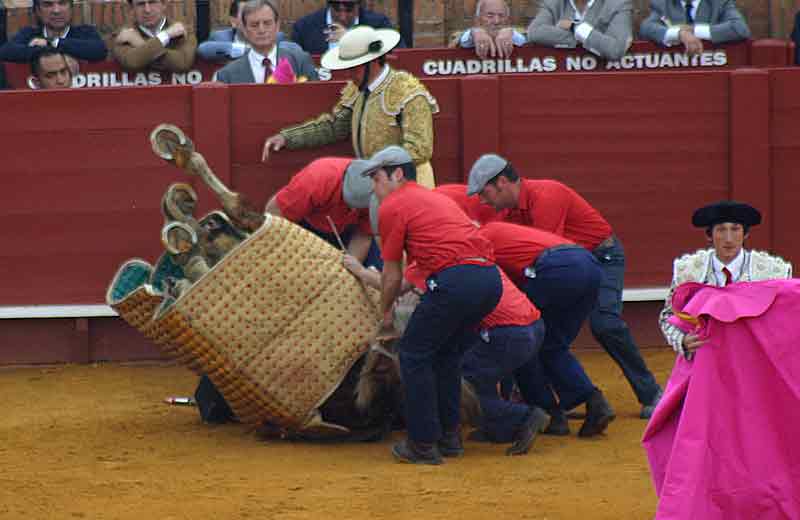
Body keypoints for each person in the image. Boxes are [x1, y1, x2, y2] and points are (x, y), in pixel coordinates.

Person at [467, 154, 663, 419]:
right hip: (571, 267)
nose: (482, 201)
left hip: (601, 257)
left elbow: (551, 251)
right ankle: (549, 398)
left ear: (502, 182)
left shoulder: (547, 195)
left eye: (484, 192)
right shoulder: (509, 213)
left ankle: (651, 394)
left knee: (605, 324)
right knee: (540, 331)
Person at [360, 145, 503, 464]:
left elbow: (393, 274)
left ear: (397, 173)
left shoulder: (394, 205)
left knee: (412, 353)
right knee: (446, 356)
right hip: (489, 282)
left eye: (376, 177)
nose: (374, 187)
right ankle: (450, 437)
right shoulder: (436, 199)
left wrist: (385, 314)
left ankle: (423, 443)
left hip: (457, 281)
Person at [478, 220, 615, 437]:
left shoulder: (480, 239)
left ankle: (549, 413)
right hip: (589, 265)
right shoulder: (500, 231)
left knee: (525, 340)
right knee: (552, 346)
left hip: (555, 268)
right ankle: (593, 400)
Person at [261, 25, 438, 188]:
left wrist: (373, 167)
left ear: (373, 62)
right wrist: (288, 138)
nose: (349, 75)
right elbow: (334, 127)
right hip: (377, 184)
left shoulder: (408, 92)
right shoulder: (356, 90)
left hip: (410, 185)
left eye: (354, 68)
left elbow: (419, 149)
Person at [659, 200, 791, 359]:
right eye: (721, 230)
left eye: (735, 229)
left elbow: (786, 320)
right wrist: (682, 340)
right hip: (706, 361)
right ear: (709, 235)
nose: (729, 238)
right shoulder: (690, 271)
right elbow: (668, 317)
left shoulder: (771, 273)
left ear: (745, 234)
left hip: (754, 361)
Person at [263, 156, 373, 261]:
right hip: (304, 224)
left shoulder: (378, 193)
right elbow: (274, 213)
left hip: (344, 229)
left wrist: (351, 270)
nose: (352, 209)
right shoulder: (316, 180)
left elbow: (363, 235)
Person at [214, 0, 317, 84]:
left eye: (267, 23)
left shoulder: (300, 62)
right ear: (245, 30)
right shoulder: (227, 75)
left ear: (277, 27)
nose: (261, 30)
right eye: (254, 25)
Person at [0, 0, 107, 63]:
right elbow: (6, 51)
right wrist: (47, 51)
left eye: (62, 3)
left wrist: (51, 42)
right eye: (48, 4)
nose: (56, 10)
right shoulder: (29, 34)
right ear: (37, 11)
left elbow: (99, 50)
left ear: (71, 8)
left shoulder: (85, 33)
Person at [527, 0, 633, 61]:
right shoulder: (554, 3)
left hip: (604, 80)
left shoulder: (617, 3)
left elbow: (615, 49)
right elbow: (534, 32)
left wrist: (575, 27)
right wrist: (587, 37)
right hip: (561, 77)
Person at [639, 0, 751, 57]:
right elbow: (646, 28)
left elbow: (739, 28)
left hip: (713, 69)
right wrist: (679, 34)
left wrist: (694, 31)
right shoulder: (663, 3)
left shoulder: (719, 2)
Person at [291, 0, 404, 55]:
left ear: (359, 5)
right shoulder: (304, 28)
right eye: (336, 8)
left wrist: (351, 38)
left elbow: (399, 57)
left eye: (349, 9)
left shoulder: (379, 24)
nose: (343, 17)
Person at [111, 0, 197, 72]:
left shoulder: (182, 31)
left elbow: (182, 63)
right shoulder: (123, 35)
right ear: (132, 8)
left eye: (152, 2)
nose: (147, 10)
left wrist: (139, 43)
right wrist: (166, 35)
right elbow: (132, 62)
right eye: (140, 4)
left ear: (164, 4)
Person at [454, 0, 525, 59]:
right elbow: (459, 43)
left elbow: (524, 41)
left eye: (501, 16)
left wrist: (511, 33)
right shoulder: (468, 37)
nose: (496, 21)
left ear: (507, 20)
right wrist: (473, 33)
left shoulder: (513, 35)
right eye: (490, 16)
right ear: (478, 20)